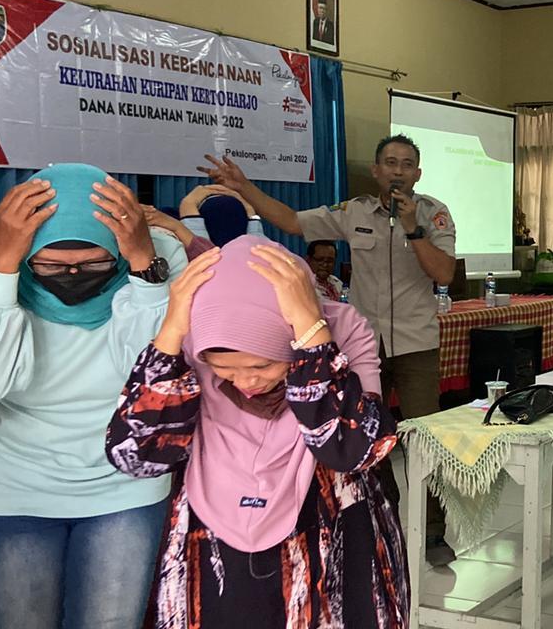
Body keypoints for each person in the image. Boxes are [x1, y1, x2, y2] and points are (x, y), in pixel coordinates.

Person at [106, 235, 407, 627]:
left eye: (263, 366)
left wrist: (313, 336)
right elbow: (137, 455)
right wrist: (171, 332)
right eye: (224, 370)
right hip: (213, 545)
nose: (247, 383)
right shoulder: (189, 345)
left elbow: (353, 449)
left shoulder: (344, 330)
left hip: (329, 534)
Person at [199, 134, 459, 565]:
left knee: (424, 440)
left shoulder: (433, 214)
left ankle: (433, 531)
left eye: (406, 164)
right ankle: (382, 517)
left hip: (416, 344)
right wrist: (244, 187)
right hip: (363, 346)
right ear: (376, 170)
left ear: (417, 173)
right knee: (367, 434)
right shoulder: (354, 212)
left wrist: (413, 228)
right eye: (390, 162)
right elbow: (291, 222)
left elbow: (444, 274)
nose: (397, 170)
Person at [0, 164, 185, 628]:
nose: (73, 274)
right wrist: (3, 266)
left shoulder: (157, 252)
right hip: (12, 485)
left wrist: (142, 265)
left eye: (95, 264)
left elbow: (154, 380)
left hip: (123, 484)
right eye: (51, 266)